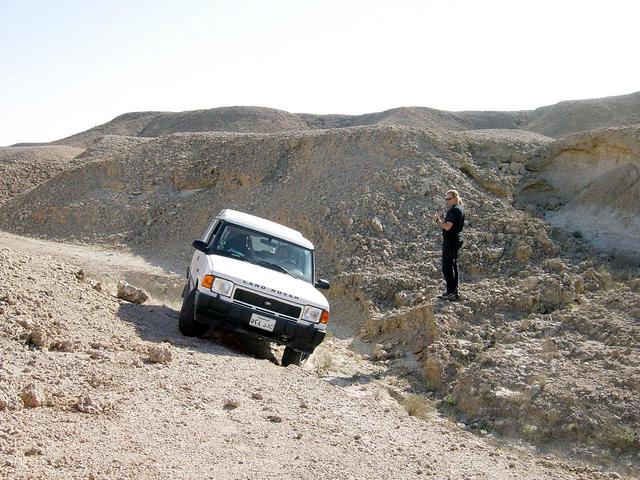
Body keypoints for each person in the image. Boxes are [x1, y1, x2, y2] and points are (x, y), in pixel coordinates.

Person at [433, 189, 465, 301]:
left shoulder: (453, 211)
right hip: (456, 239)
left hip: (450, 241)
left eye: (449, 199)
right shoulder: (460, 208)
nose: (447, 201)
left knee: (447, 266)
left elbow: (447, 227)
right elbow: (451, 224)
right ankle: (454, 291)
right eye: (446, 199)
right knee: (453, 265)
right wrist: (443, 219)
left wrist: (438, 220)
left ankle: (451, 292)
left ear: (455, 198)